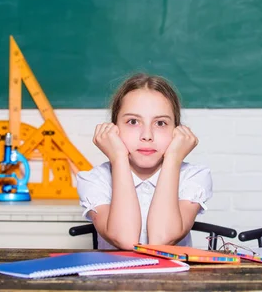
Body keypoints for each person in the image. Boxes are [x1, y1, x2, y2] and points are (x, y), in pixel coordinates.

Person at [76, 73, 212, 250]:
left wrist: (173, 158)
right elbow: (126, 240)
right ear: (114, 129)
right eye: (133, 121)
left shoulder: (194, 177)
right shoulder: (94, 180)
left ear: (177, 131)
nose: (147, 136)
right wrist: (118, 158)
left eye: (161, 123)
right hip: (113, 278)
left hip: (172, 278)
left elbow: (160, 240)